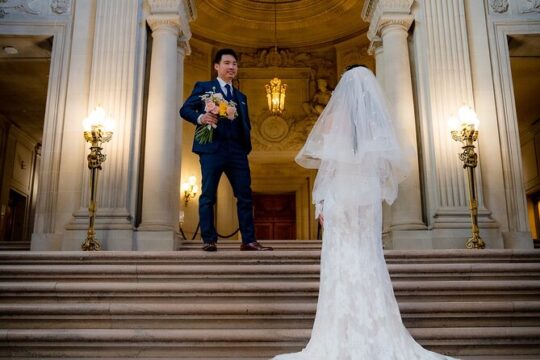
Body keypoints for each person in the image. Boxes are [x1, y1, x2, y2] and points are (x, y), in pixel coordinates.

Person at [271, 65, 457, 359]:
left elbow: (327, 169)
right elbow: (386, 170)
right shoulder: (378, 123)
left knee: (341, 262)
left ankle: (340, 334)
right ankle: (376, 330)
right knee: (370, 257)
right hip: (366, 198)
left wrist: (320, 203)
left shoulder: (332, 120)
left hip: (340, 197)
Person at [180, 48, 272, 252]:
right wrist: (201, 118)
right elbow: (185, 109)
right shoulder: (205, 87)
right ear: (217, 66)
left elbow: (244, 123)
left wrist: (245, 147)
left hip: (237, 151)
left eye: (235, 64)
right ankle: (209, 239)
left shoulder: (241, 96)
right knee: (208, 195)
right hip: (212, 149)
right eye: (228, 63)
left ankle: (248, 240)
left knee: (245, 195)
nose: (232, 67)